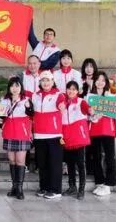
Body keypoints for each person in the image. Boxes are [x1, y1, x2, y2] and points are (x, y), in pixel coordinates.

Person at [32, 70, 66, 200]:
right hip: (39, 135)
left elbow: (62, 105)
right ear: (40, 82)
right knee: (42, 163)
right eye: (43, 80)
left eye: (48, 80)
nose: (45, 83)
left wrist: (62, 106)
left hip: (54, 135)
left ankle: (56, 190)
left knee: (54, 164)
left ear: (52, 82)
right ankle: (44, 187)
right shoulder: (35, 95)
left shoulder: (58, 95)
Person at [0, 77, 33, 200]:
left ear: (21, 87)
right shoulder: (4, 100)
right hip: (9, 132)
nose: (14, 88)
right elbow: (1, 115)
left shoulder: (26, 99)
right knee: (12, 160)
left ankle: (19, 188)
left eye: (17, 86)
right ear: (9, 88)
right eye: (12, 86)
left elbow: (31, 113)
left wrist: (28, 107)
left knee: (20, 160)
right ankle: (14, 187)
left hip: (21, 133)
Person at [86, 72, 116, 197]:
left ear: (106, 83)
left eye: (103, 80)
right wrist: (92, 115)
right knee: (96, 157)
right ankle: (99, 182)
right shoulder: (89, 97)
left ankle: (109, 184)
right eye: (98, 80)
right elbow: (86, 115)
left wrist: (103, 111)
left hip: (108, 130)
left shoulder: (110, 96)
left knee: (109, 157)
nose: (100, 82)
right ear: (94, 81)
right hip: (94, 130)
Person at [61, 81, 91, 200]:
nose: (71, 91)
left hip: (79, 138)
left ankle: (81, 189)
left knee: (80, 164)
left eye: (74, 89)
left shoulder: (81, 102)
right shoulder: (63, 103)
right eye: (69, 89)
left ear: (77, 91)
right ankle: (72, 187)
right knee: (70, 164)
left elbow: (88, 109)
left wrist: (91, 111)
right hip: (67, 138)